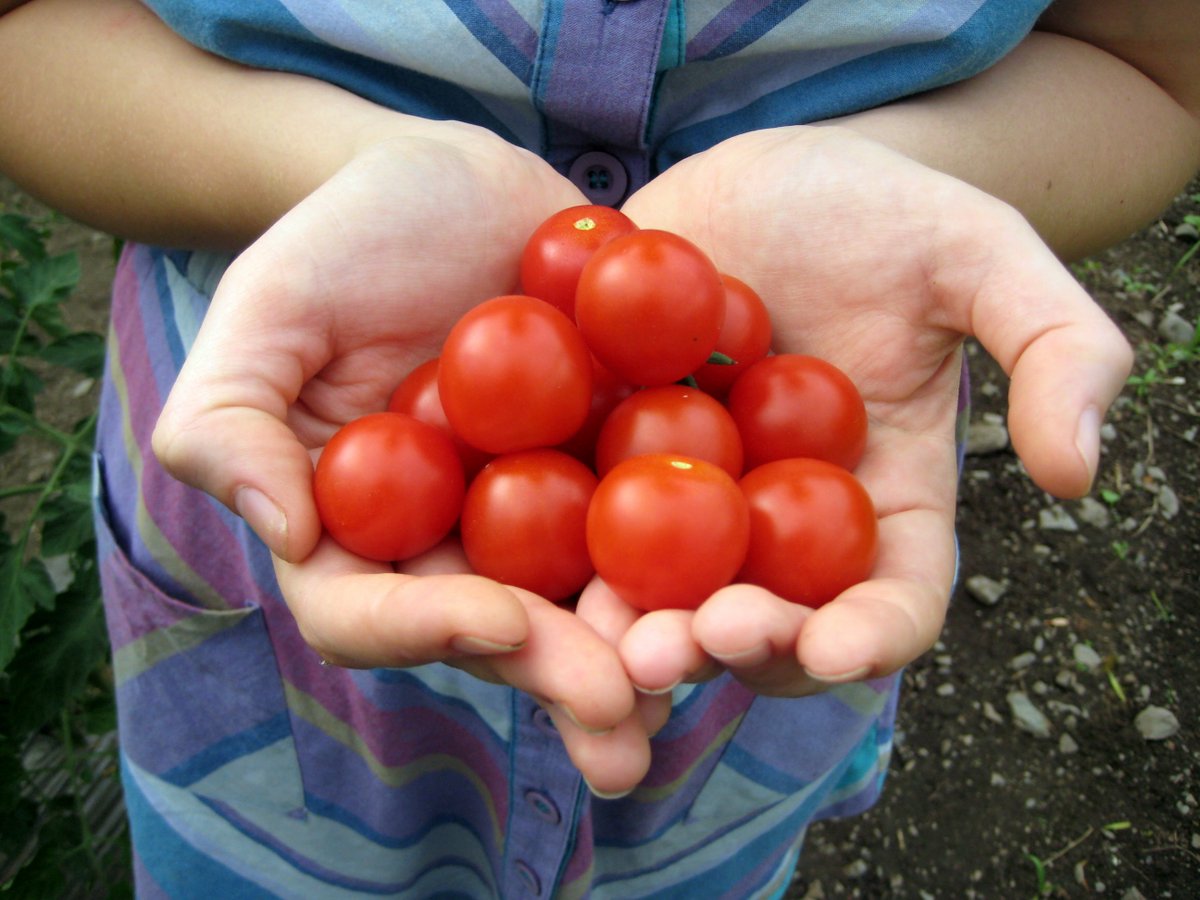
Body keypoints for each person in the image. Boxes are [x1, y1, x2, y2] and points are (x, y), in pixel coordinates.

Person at [1, 0, 1197, 895]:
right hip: (271, 614)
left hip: (730, 709)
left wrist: (915, 192)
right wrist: (335, 175)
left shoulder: (734, 429)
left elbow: (1161, 71)